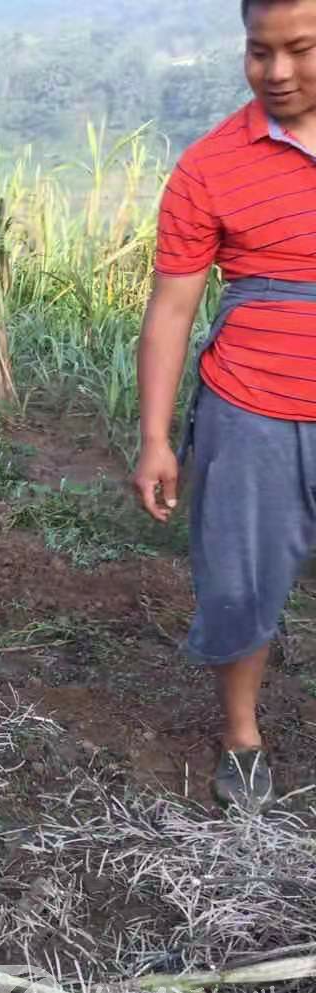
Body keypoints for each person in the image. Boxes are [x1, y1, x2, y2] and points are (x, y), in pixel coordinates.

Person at [132, 0, 316, 812]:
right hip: (253, 408)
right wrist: (154, 438)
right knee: (239, 581)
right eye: (259, 53)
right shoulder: (210, 166)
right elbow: (171, 312)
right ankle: (242, 737)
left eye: (301, 50)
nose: (277, 73)